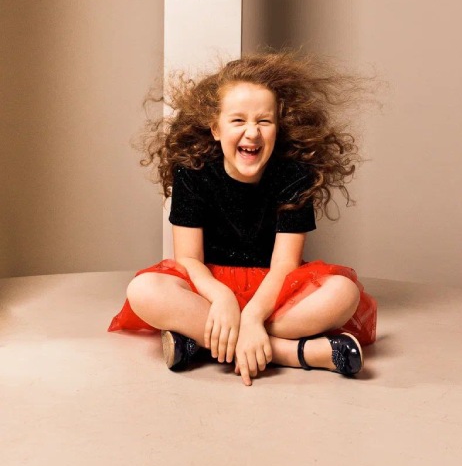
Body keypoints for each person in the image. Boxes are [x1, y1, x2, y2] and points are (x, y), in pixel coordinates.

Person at [108, 52, 377, 386]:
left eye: (264, 121)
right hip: (209, 289)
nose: (252, 132)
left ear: (278, 128)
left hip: (274, 291)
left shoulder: (295, 175)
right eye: (238, 121)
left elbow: (285, 265)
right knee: (144, 290)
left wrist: (252, 316)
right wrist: (223, 299)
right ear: (216, 128)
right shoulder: (192, 172)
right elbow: (189, 260)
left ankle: (201, 343)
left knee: (343, 293)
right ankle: (292, 353)